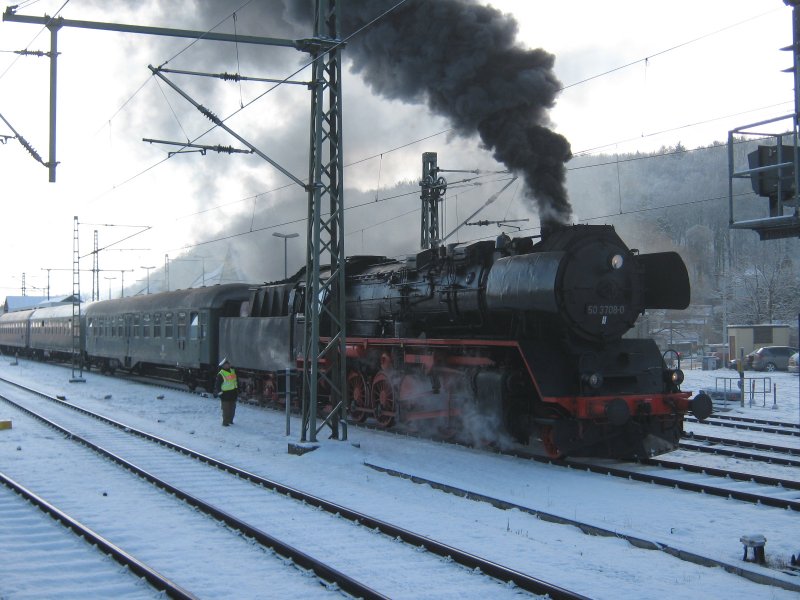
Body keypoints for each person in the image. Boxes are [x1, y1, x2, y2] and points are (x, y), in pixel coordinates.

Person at [214, 357, 238, 426]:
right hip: (225, 394)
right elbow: (217, 385)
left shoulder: (232, 371)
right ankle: (225, 422)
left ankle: (230, 420)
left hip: (233, 393)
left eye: (228, 363)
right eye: (226, 364)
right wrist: (221, 394)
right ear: (223, 366)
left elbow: (235, 381)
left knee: (232, 409)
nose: (228, 365)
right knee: (226, 409)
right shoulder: (221, 374)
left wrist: (236, 391)